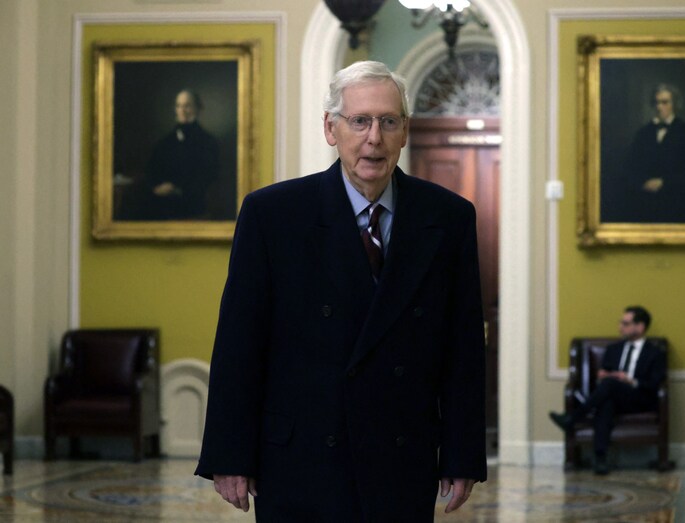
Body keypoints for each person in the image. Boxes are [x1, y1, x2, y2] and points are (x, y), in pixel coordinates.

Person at [195, 61, 487, 521]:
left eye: (389, 122)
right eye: (360, 121)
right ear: (331, 129)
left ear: (405, 131)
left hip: (401, 456)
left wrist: (462, 454)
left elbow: (464, 348)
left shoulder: (448, 218)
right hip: (302, 458)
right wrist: (230, 455)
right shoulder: (273, 215)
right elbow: (239, 344)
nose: (375, 138)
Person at [549, 306, 666, 475]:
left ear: (640, 327)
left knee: (610, 386)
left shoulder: (655, 352)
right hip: (614, 396)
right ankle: (600, 459)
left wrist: (629, 380)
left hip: (640, 398)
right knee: (606, 402)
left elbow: (654, 384)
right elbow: (604, 376)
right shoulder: (614, 349)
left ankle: (573, 418)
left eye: (625, 323)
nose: (620, 327)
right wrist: (603, 376)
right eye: (621, 323)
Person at [618, 84, 685, 223]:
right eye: (657, 102)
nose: (659, 107)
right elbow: (630, 166)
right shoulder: (643, 133)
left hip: (677, 204)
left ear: (675, 104)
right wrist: (642, 182)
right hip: (645, 204)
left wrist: (664, 182)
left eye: (665, 102)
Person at [142, 89, 220, 220]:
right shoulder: (164, 142)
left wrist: (178, 189)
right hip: (161, 202)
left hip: (192, 203)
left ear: (198, 108)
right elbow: (151, 171)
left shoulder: (208, 142)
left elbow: (209, 176)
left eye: (187, 106)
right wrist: (157, 188)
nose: (182, 110)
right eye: (179, 106)